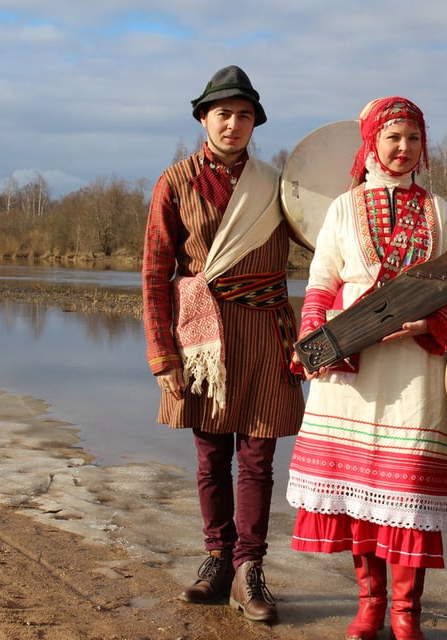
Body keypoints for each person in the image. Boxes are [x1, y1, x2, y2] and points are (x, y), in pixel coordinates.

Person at [286, 97, 447, 640]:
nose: (404, 147)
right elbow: (320, 283)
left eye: (413, 137)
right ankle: (369, 604)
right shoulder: (343, 207)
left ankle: (405, 613)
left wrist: (424, 325)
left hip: (414, 369)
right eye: (393, 136)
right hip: (351, 370)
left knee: (406, 487)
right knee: (358, 492)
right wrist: (318, 346)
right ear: (371, 142)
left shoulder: (440, 210)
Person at [141, 64, 304, 624]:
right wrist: (162, 354)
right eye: (223, 114)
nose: (233, 124)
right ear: (203, 118)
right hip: (202, 340)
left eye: (244, 115)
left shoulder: (278, 184)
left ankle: (248, 569)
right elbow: (154, 273)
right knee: (211, 458)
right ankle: (216, 559)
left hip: (264, 331)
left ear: (255, 122)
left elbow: (324, 236)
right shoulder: (175, 182)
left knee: (257, 460)